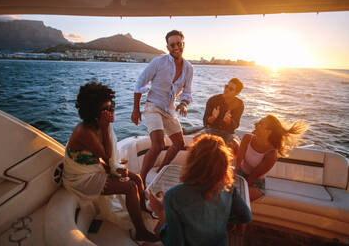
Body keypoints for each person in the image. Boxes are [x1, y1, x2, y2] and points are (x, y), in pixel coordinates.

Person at [62, 81, 157, 242]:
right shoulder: (84, 131)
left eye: (112, 106)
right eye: (106, 110)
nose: (112, 111)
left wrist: (112, 168)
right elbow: (106, 154)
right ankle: (140, 231)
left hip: (92, 167)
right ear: (94, 114)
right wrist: (106, 127)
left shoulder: (99, 126)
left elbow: (99, 158)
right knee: (129, 187)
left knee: (137, 178)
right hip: (81, 179)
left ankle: (142, 209)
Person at [146, 134, 252, 246]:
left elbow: (175, 242)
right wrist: (220, 218)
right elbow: (245, 216)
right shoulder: (229, 188)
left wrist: (160, 211)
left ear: (192, 160)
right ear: (223, 165)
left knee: (150, 240)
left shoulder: (173, 196)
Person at [131, 30, 194, 185]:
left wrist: (184, 104)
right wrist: (136, 109)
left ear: (183, 44)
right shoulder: (158, 62)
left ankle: (161, 171)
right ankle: (142, 178)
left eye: (179, 44)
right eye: (172, 45)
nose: (176, 47)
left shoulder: (189, 68)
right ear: (167, 47)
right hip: (153, 106)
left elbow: (187, 92)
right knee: (158, 144)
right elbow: (139, 84)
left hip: (170, 110)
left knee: (179, 143)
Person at [235, 114, 309, 201]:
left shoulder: (271, 154)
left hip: (255, 183)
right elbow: (238, 161)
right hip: (239, 174)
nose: (255, 124)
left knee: (237, 196)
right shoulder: (247, 138)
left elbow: (252, 177)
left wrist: (237, 185)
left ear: (268, 132)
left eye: (260, 124)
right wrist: (233, 176)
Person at [202, 78, 244, 154]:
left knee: (236, 147)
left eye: (231, 89)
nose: (226, 89)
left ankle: (225, 165)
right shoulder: (213, 100)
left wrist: (229, 121)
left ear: (236, 93)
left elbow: (236, 124)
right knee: (197, 140)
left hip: (228, 133)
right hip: (212, 129)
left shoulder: (239, 104)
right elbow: (205, 120)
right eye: (226, 86)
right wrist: (212, 118)